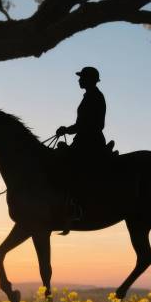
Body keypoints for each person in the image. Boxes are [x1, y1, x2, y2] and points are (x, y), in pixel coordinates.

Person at [55, 66, 109, 234]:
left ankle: (74, 207)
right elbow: (81, 124)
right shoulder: (89, 96)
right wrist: (68, 129)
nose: (79, 80)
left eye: (81, 77)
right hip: (83, 140)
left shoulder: (95, 97)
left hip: (90, 142)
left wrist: (69, 130)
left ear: (89, 80)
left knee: (68, 167)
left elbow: (95, 124)